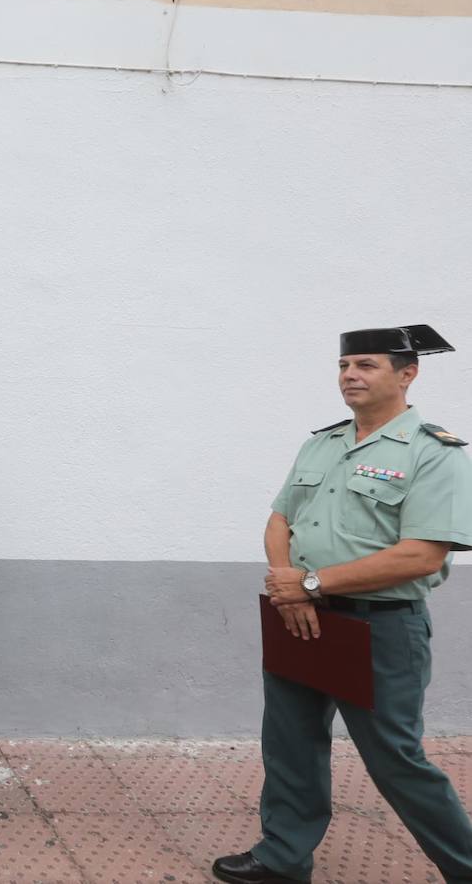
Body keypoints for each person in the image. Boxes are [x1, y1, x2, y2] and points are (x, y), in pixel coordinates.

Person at [213, 325, 472, 884]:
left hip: (377, 628)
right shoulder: (323, 443)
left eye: (367, 365)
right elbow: (281, 518)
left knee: (396, 761)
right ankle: (283, 855)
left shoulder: (433, 452)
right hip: (299, 617)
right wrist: (290, 586)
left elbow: (421, 556)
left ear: (408, 374)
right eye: (345, 365)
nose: (350, 375)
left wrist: (309, 585)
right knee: (290, 744)